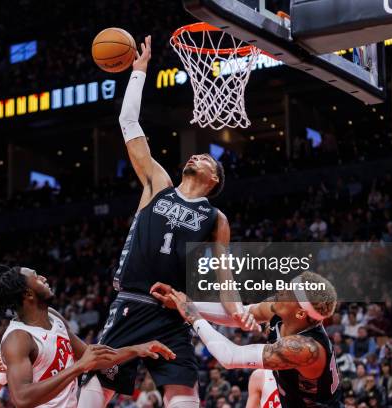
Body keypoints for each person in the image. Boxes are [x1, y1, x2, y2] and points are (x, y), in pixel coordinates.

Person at [79, 35, 254, 408]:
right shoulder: (159, 184)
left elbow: (224, 277)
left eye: (206, 157)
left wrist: (238, 310)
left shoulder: (215, 217)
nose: (197, 157)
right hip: (131, 302)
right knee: (99, 384)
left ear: (214, 179)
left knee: (183, 393)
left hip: (173, 312)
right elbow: (128, 121)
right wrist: (139, 72)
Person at [0, 265, 175, 408]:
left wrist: (138, 349)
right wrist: (78, 367)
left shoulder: (53, 316)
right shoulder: (18, 338)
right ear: (28, 294)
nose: (43, 278)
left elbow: (92, 356)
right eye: (36, 277)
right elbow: (21, 398)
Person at [161, 271, 343, 407]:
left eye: (289, 292)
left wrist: (192, 315)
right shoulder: (283, 310)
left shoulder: (305, 348)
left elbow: (230, 357)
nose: (281, 289)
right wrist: (183, 304)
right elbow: (239, 314)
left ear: (301, 312)